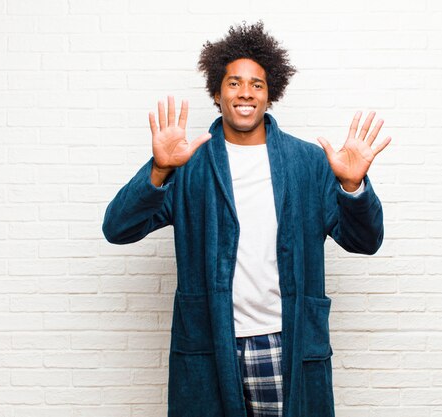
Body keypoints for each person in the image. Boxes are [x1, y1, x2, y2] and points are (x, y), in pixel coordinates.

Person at [103, 21, 390, 417]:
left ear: (270, 94)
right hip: (210, 340)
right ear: (217, 93)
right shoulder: (190, 164)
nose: (245, 93)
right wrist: (158, 169)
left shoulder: (308, 162)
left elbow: (365, 240)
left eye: (256, 85)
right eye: (234, 83)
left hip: (284, 340)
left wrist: (353, 187)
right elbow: (117, 228)